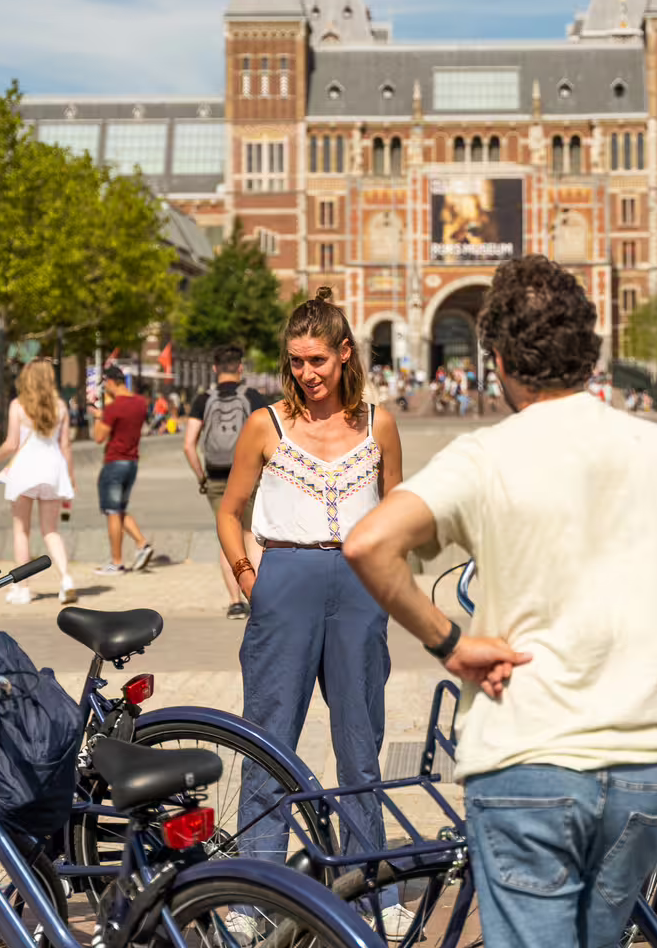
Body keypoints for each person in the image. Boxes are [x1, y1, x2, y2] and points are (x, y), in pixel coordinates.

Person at [343, 256, 657, 948]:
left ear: (497, 358)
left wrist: (449, 642)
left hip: (527, 764)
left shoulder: (484, 455)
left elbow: (369, 543)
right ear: (590, 347)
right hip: (644, 776)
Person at [214, 287, 405, 885]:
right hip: (284, 579)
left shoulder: (380, 424)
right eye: (295, 361)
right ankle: (257, 894)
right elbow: (231, 510)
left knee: (360, 741)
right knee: (268, 738)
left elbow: (397, 509)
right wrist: (250, 578)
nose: (306, 373)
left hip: (359, 586)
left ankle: (366, 882)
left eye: (317, 359)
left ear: (344, 353)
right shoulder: (264, 424)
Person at [182, 344, 272, 618]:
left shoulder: (202, 400)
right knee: (250, 534)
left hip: (216, 476)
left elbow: (189, 445)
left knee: (227, 537)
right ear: (240, 368)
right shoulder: (253, 396)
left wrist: (201, 477)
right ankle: (259, 596)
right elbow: (267, 436)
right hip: (248, 476)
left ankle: (235, 601)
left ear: (214, 368)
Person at [0, 358, 76, 606]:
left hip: (25, 470)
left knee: (22, 530)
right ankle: (66, 579)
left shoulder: (18, 406)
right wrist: (70, 479)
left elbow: (11, 444)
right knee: (51, 530)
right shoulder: (60, 407)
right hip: (53, 468)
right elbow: (66, 446)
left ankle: (24, 587)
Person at [91, 366, 154, 575]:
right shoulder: (140, 403)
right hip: (132, 463)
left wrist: (99, 416)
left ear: (110, 382)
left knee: (111, 511)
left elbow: (99, 437)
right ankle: (142, 544)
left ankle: (117, 562)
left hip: (114, 462)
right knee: (119, 509)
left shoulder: (114, 407)